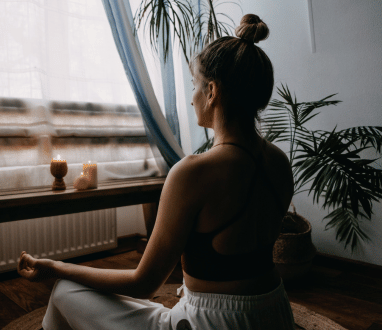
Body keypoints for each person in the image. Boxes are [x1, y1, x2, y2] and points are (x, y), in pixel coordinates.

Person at [17, 13, 296, 330]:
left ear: (212, 91)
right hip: (275, 313)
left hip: (215, 323)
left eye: (195, 86)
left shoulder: (193, 172)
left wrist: (57, 267)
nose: (192, 99)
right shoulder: (278, 161)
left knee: (67, 289)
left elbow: (143, 284)